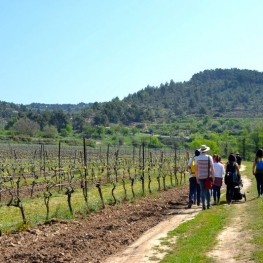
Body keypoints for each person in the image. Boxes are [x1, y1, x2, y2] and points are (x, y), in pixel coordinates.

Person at [195, 144, 215, 210]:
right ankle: (208, 204)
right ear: (206, 151)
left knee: (202, 191)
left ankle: (203, 204)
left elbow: (196, 169)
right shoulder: (209, 157)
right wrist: (213, 176)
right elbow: (212, 168)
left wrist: (197, 177)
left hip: (200, 176)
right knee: (208, 190)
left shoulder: (197, 158)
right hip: (208, 176)